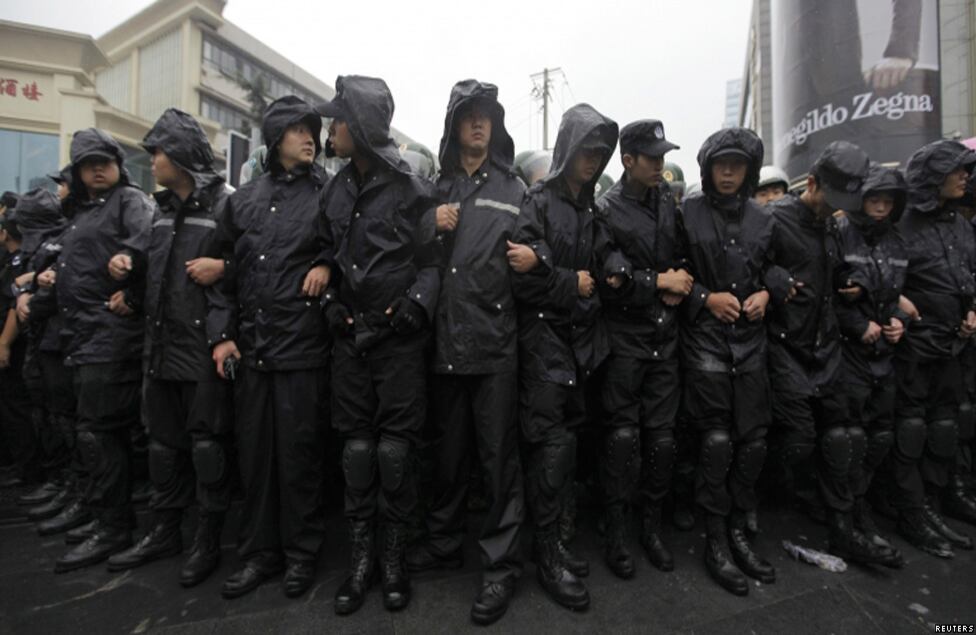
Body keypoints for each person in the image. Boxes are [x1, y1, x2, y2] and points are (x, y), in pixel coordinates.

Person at [316, 75, 439, 615]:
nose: (330, 129)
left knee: (395, 453)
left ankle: (394, 561)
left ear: (359, 127)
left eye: (337, 120)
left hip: (398, 341)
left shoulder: (411, 186)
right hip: (350, 341)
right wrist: (330, 304)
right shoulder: (333, 189)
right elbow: (323, 255)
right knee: (357, 451)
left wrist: (417, 302)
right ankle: (360, 561)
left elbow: (433, 262)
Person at [405, 79, 525, 626]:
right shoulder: (434, 187)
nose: (479, 123)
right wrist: (429, 224)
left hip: (495, 344)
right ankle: (443, 542)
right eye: (469, 116)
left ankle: (500, 568)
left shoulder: (515, 187)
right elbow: (404, 251)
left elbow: (538, 247)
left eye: (487, 116)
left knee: (498, 461)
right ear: (454, 126)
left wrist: (537, 256)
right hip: (445, 342)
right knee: (447, 457)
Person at [105, 109, 235, 588]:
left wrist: (224, 268)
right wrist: (126, 272)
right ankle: (164, 530)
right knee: (162, 446)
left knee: (207, 447)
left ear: (180, 155)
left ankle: (208, 536)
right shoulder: (158, 212)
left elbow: (249, 267)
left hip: (204, 347)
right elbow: (147, 269)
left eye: (158, 151)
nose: (153, 160)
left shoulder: (225, 205)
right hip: (158, 348)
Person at [209, 96, 332, 599]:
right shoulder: (242, 200)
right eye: (298, 131)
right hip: (253, 351)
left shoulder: (329, 195)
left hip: (303, 350)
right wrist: (222, 335)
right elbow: (221, 275)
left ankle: (302, 555)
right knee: (255, 459)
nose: (309, 138)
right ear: (276, 136)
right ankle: (259, 555)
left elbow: (350, 250)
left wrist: (328, 264)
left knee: (299, 458)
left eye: (312, 131)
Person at [765, 141, 899, 567]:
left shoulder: (834, 227)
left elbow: (838, 268)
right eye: (832, 199)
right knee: (801, 439)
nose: (836, 210)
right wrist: (774, 277)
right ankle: (778, 492)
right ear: (812, 183)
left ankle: (844, 526)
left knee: (842, 436)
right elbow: (747, 263)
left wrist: (854, 278)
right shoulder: (774, 218)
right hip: (784, 346)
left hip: (826, 345)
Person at [508, 103, 617, 611]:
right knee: (549, 450)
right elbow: (522, 278)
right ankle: (547, 554)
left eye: (600, 151)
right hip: (543, 344)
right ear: (567, 149)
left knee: (567, 448)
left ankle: (557, 544)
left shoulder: (592, 209)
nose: (593, 159)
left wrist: (586, 280)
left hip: (581, 345)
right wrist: (568, 281)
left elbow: (597, 273)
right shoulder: (538, 200)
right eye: (586, 149)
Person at [680, 127, 793, 594]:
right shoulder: (685, 213)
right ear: (708, 169)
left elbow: (782, 269)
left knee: (753, 441)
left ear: (748, 171)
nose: (728, 172)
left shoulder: (764, 219)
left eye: (737, 165)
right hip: (705, 342)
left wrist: (770, 292)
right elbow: (671, 269)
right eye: (720, 164)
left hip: (750, 344)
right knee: (717, 440)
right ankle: (714, 538)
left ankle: (739, 528)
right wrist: (706, 298)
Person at [51, 128, 154, 573]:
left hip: (111, 337)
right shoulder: (80, 213)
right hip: (82, 336)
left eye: (105, 161)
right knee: (91, 431)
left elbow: (150, 236)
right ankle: (99, 511)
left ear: (118, 164)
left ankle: (113, 525)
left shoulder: (129, 202)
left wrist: (129, 260)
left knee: (100, 433)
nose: (97, 168)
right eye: (87, 163)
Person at [594, 119, 689, 580]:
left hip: (663, 339)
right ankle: (615, 531)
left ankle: (651, 528)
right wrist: (657, 283)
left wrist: (681, 281)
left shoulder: (669, 202)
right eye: (651, 158)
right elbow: (611, 279)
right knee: (621, 440)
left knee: (662, 441)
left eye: (663, 157)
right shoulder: (606, 210)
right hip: (625, 342)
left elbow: (683, 257)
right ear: (627, 160)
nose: (659, 165)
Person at [890, 139, 976, 557]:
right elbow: (875, 276)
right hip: (912, 351)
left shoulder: (960, 223)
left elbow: (969, 273)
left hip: (954, 347)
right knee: (911, 430)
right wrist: (896, 303)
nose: (965, 177)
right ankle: (909, 510)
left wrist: (973, 308)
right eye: (957, 170)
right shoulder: (899, 222)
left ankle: (936, 503)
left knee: (946, 428)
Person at [833, 164, 910, 567]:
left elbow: (897, 295)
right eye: (873, 200)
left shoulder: (896, 241)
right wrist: (859, 323)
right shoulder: (840, 232)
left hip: (884, 354)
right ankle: (842, 518)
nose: (880, 208)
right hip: (849, 353)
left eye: (887, 201)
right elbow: (825, 294)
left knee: (880, 435)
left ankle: (862, 508)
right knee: (849, 437)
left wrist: (901, 321)